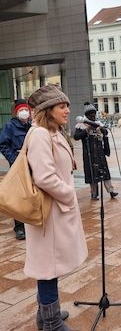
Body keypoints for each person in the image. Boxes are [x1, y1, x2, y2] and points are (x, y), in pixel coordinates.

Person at [25, 84, 88, 331]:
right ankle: (50, 323)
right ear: (48, 110)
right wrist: (69, 194)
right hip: (49, 212)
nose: (67, 110)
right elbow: (44, 177)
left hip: (54, 211)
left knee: (50, 266)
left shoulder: (50, 132)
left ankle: (45, 315)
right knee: (48, 268)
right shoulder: (40, 134)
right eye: (62, 106)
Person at [0, 99, 31, 240]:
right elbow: (3, 145)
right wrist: (14, 159)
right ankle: (19, 227)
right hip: (18, 165)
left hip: (32, 165)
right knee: (19, 196)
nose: (24, 112)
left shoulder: (31, 127)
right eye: (21, 110)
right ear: (16, 112)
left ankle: (31, 223)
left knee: (31, 194)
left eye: (26, 110)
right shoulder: (10, 126)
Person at [74, 102, 118, 200]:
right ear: (86, 115)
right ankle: (94, 193)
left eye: (94, 113)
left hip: (100, 153)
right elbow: (76, 137)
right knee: (92, 174)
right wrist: (87, 129)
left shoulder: (98, 123)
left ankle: (111, 191)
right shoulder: (81, 124)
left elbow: (105, 133)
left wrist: (103, 130)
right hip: (89, 154)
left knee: (105, 173)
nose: (93, 115)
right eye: (90, 114)